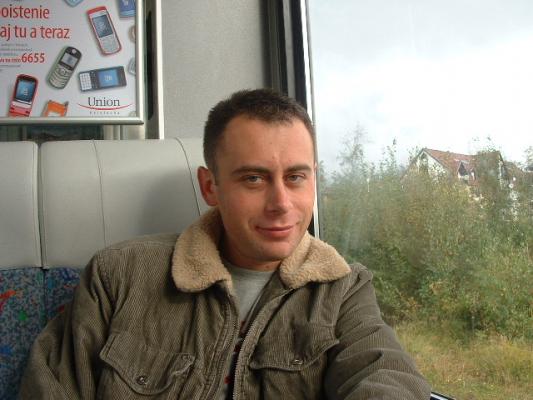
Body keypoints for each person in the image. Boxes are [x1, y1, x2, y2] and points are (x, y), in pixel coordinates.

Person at [20, 89, 431, 399]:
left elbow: (385, 375)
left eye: (295, 177)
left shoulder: (343, 289)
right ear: (210, 186)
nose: (281, 203)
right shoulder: (118, 276)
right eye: (253, 178)